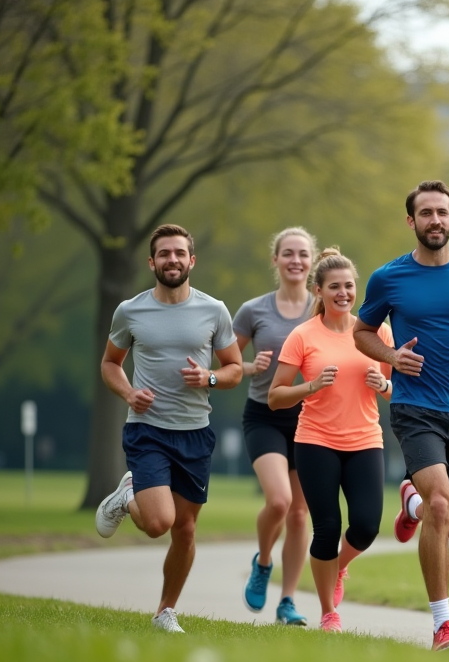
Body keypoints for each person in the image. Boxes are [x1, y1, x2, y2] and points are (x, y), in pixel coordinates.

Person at [354, 180, 449, 651]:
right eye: (426, 213)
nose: (435, 220)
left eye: (442, 212)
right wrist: (391, 356)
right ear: (412, 221)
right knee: (442, 506)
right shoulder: (389, 278)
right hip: (415, 406)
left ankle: (412, 503)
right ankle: (443, 624)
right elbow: (362, 332)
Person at [94, 224, 242, 633]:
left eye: (179, 253)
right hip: (148, 429)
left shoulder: (214, 310)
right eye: (164, 254)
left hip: (196, 431)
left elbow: (233, 370)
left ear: (191, 261)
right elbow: (110, 363)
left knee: (186, 527)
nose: (172, 260)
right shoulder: (131, 310)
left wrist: (209, 378)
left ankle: (165, 611)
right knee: (159, 522)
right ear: (152, 262)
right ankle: (129, 494)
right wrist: (128, 394)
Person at [270, 248, 393, 633]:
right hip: (315, 441)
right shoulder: (303, 335)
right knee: (326, 526)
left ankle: (337, 567)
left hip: (365, 441)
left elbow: (400, 391)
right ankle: (328, 613)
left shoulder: (377, 331)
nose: (343, 293)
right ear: (318, 291)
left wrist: (385, 384)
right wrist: (310, 386)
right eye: (334, 287)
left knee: (367, 526)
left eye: (349, 286)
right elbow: (275, 396)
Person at [233, 227, 316, 626]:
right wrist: (251, 366)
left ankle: (287, 601)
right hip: (264, 414)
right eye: (288, 253)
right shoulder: (253, 310)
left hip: (310, 419)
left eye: (302, 254)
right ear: (276, 260)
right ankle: (263, 561)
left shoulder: (322, 308)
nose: (295, 260)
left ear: (312, 261)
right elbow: (227, 364)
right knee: (280, 501)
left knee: (301, 514)